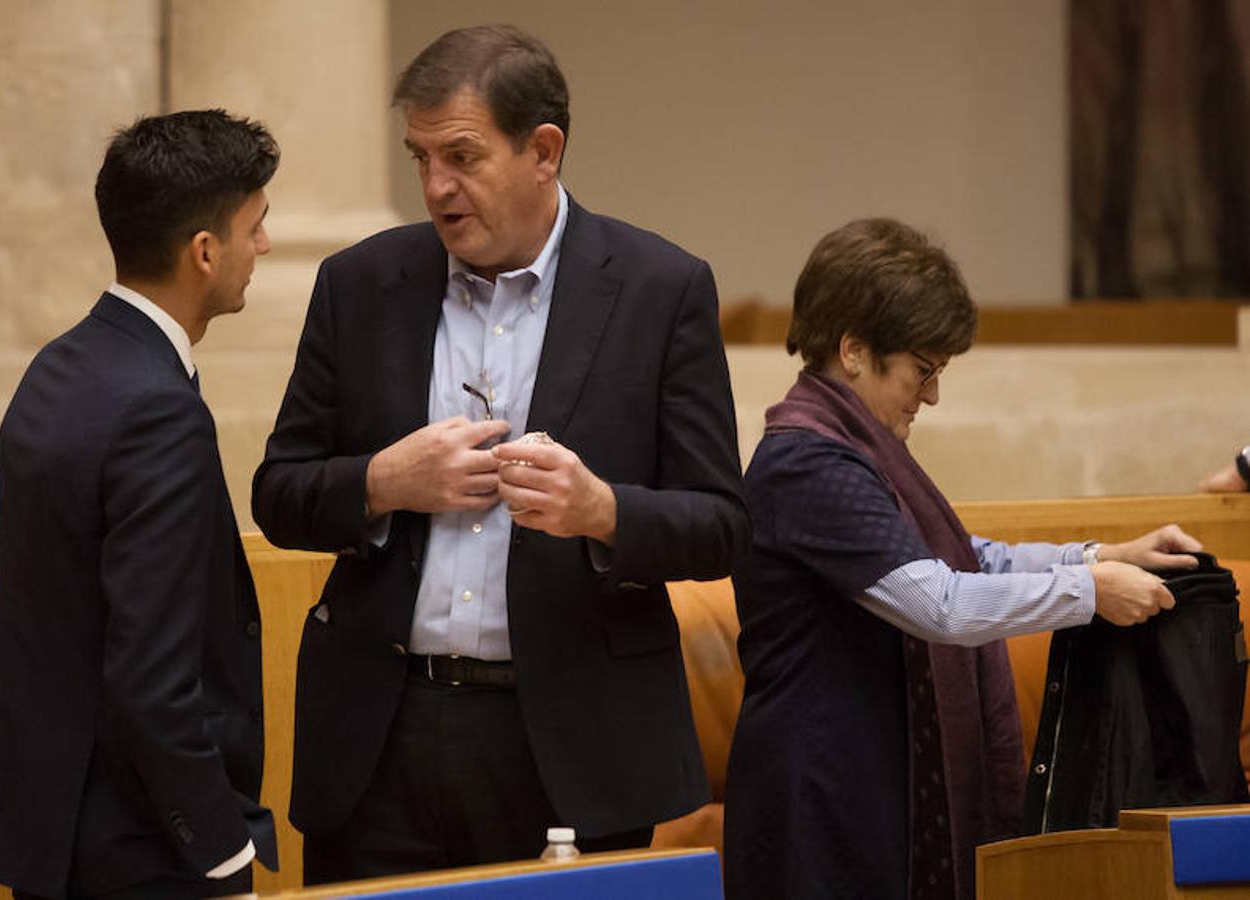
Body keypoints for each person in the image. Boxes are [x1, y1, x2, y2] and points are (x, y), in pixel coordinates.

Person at [253, 24, 748, 884]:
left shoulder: (660, 289)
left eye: (462, 157)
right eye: (419, 158)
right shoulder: (358, 284)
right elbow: (278, 493)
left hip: (573, 742)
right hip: (382, 738)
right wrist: (381, 483)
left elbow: (720, 525)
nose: (436, 188)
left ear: (543, 150)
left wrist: (603, 511)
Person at [724, 218, 1202, 900]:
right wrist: (1087, 591)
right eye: (923, 370)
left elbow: (965, 558)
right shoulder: (808, 461)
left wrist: (1099, 553)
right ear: (853, 350)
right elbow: (938, 603)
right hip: (822, 791)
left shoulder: (850, 445)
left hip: (868, 776)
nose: (932, 395)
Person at [0, 110, 280, 900]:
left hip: (55, 833)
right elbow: (152, 679)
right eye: (254, 227)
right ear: (204, 252)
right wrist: (222, 853)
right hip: (141, 849)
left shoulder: (60, 365)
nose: (263, 247)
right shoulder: (156, 409)